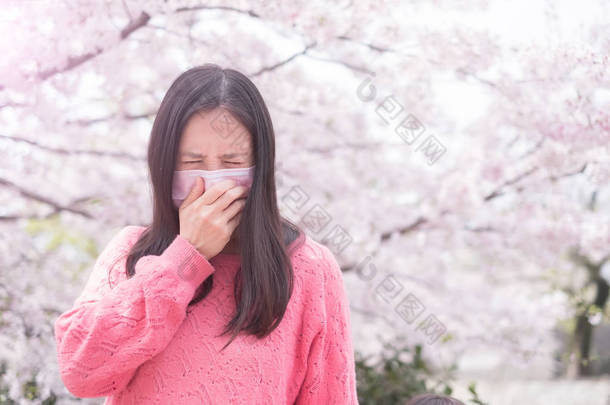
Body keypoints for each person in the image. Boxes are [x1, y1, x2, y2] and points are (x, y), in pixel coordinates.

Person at [53, 64, 359, 404]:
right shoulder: (131, 252)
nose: (212, 180)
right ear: (165, 165)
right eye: (193, 162)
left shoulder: (308, 268)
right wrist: (184, 260)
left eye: (231, 162)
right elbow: (80, 371)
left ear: (260, 166)